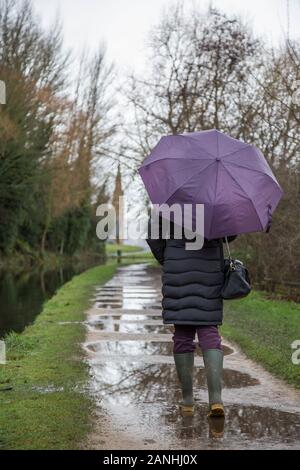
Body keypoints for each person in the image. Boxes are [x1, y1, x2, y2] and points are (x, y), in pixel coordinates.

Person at [146, 213, 237, 417]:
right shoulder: (216, 201)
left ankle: (187, 400)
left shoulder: (167, 203)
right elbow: (229, 236)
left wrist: (169, 258)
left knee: (183, 332)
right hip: (209, 273)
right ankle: (216, 400)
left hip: (177, 271)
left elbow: (154, 237)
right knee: (209, 329)